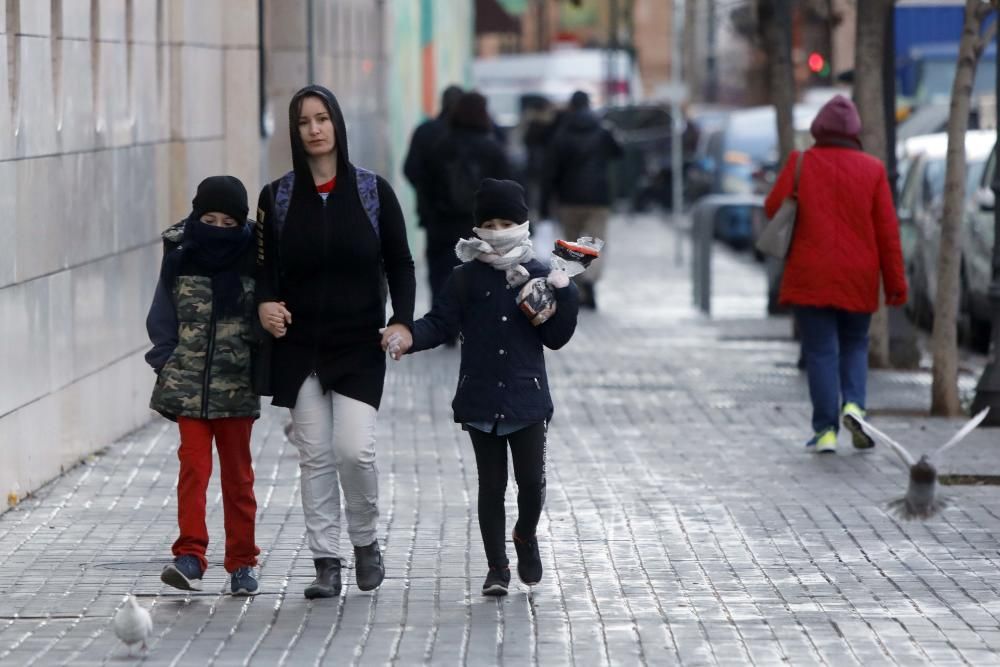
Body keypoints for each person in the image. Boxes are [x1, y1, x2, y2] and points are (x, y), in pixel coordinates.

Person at [255, 85, 416, 598]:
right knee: (315, 455)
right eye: (304, 122)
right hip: (300, 347)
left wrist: (403, 320)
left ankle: (366, 541)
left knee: (354, 450)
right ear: (294, 131)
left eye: (322, 119)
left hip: (358, 344)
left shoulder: (372, 192)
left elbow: (401, 262)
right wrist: (264, 304)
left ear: (337, 125)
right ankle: (326, 560)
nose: (315, 129)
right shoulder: (276, 198)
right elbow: (262, 270)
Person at [390, 179, 579, 596]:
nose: (497, 230)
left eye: (506, 221)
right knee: (491, 487)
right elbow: (439, 323)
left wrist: (566, 295)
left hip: (527, 398)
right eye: (489, 223)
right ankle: (497, 568)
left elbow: (557, 337)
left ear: (522, 223)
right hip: (480, 399)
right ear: (477, 228)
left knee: (531, 484)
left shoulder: (542, 274)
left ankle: (525, 536)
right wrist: (407, 336)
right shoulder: (464, 278)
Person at [763, 94, 907, 454]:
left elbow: (771, 208)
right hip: (858, 276)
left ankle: (826, 430)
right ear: (855, 131)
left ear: (819, 128)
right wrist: (895, 285)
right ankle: (855, 406)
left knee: (821, 352)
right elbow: (888, 233)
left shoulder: (801, 163)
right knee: (855, 344)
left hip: (810, 275)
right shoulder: (873, 170)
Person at [145, 175, 261, 596]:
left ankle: (243, 562)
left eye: (227, 222)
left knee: (238, 477)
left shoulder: (257, 255)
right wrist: (166, 361)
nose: (216, 228)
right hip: (187, 386)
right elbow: (162, 313)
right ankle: (190, 555)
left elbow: (266, 317)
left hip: (236, 387)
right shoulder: (180, 253)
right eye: (208, 218)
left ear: (241, 223)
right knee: (193, 469)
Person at [421, 91, 511, 311]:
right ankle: (471, 322)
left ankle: (444, 322)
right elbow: (506, 191)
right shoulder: (493, 149)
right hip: (481, 227)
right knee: (481, 277)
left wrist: (428, 216)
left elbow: (425, 184)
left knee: (441, 273)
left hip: (442, 224)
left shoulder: (440, 147)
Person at [540, 90, 623, 309]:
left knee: (574, 244)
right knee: (594, 242)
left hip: (568, 199)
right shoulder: (602, 130)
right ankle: (590, 281)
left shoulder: (561, 134)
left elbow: (550, 172)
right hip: (598, 198)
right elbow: (618, 152)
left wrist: (544, 204)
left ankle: (579, 287)